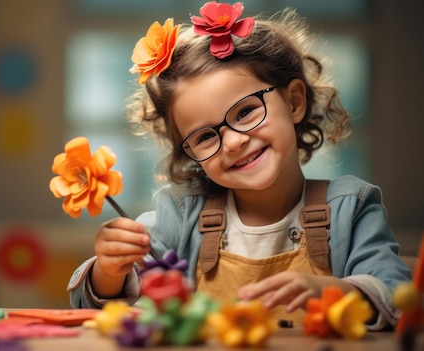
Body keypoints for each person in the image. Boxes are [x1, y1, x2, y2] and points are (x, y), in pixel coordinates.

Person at [67, 1, 411, 330]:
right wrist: (110, 271)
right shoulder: (180, 212)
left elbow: (399, 298)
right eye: (204, 137)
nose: (233, 142)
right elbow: (91, 307)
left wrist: (333, 293)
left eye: (246, 112)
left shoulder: (351, 207)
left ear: (294, 102)